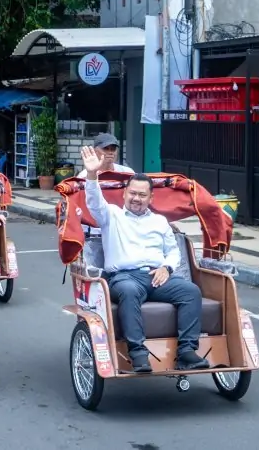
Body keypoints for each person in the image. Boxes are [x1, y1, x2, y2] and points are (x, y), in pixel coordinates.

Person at [80, 146, 209, 373]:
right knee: (129, 292)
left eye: (142, 195)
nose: (136, 199)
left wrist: (167, 268)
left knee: (191, 291)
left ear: (151, 197)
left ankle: (186, 351)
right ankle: (138, 354)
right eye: (132, 193)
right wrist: (92, 175)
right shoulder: (111, 215)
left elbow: (173, 251)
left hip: (156, 276)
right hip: (123, 277)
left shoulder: (160, 221)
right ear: (124, 194)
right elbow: (93, 202)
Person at [77, 133, 134, 269]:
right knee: (95, 274)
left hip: (121, 230)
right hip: (93, 232)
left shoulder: (128, 173)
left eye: (113, 149)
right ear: (95, 151)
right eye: (105, 149)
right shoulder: (84, 176)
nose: (110, 152)